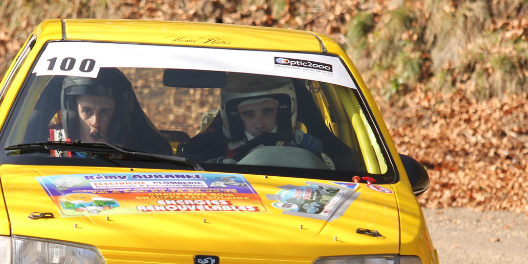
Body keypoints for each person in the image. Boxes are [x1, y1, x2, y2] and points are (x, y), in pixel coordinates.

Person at [181, 74, 334, 168]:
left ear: (283, 112)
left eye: (267, 112)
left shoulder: (304, 150)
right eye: (248, 114)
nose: (260, 124)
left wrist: (319, 159)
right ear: (234, 118)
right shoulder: (213, 156)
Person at [50, 68, 171, 155]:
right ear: (72, 115)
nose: (95, 122)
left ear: (117, 117)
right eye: (87, 111)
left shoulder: (139, 152)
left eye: (104, 113)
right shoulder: (46, 149)